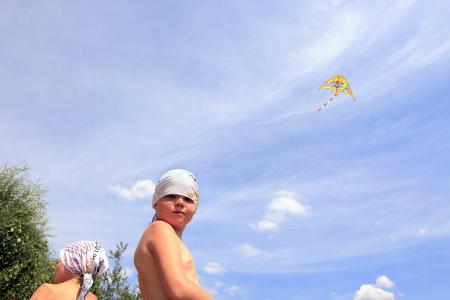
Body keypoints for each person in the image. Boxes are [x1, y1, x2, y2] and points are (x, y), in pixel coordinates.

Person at [134, 169, 213, 300]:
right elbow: (179, 289)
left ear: (195, 208)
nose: (180, 202)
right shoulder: (160, 229)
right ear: (155, 201)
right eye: (171, 196)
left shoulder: (171, 239)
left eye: (188, 199)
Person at [31, 240, 109, 300]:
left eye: (61, 260)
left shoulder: (47, 290)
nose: (57, 265)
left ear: (72, 265)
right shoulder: (92, 298)